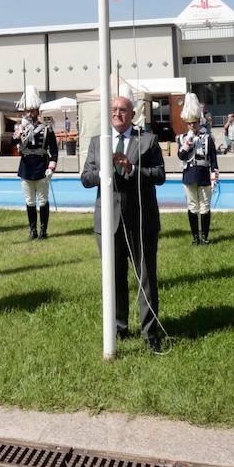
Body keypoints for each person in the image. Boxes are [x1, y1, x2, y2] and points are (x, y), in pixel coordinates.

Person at [80, 93, 167, 351]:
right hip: (109, 223)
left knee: (146, 279)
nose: (117, 113)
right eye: (113, 110)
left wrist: (132, 170)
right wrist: (103, 171)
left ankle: (150, 334)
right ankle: (118, 328)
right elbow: (85, 178)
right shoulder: (98, 142)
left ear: (132, 114)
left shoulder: (148, 141)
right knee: (114, 277)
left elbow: (160, 175)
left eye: (122, 110)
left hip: (141, 220)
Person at [15, 86, 57, 241]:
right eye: (28, 111)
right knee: (30, 201)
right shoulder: (21, 128)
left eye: (33, 110)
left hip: (41, 167)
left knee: (43, 200)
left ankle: (43, 231)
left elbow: (54, 151)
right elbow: (13, 142)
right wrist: (20, 132)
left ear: (38, 111)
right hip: (26, 168)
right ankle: (32, 231)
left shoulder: (47, 128)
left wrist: (51, 167)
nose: (30, 113)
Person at [176, 94, 218, 245]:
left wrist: (215, 177)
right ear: (186, 124)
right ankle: (195, 237)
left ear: (199, 122)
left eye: (195, 123)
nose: (192, 126)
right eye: (190, 123)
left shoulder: (207, 138)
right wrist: (189, 141)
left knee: (205, 206)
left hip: (203, 174)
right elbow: (181, 156)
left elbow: (213, 160)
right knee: (192, 206)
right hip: (189, 175)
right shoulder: (181, 138)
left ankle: (205, 237)